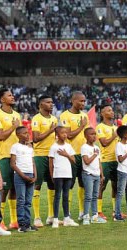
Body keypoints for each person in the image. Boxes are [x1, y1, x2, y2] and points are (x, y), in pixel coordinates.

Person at [0, 89, 21, 230]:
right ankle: (0, 221)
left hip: (17, 155)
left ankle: (14, 221)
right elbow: (1, 136)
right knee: (4, 189)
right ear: (2, 99)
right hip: (4, 156)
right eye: (9, 95)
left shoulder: (16, 115)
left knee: (14, 188)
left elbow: (20, 135)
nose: (12, 96)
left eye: (12, 95)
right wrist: (13, 127)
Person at [60, 91, 89, 220]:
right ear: (73, 101)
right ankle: (68, 213)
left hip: (83, 155)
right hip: (71, 155)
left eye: (84, 101)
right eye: (80, 101)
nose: (83, 103)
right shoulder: (65, 115)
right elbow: (69, 135)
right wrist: (82, 126)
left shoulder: (84, 116)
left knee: (83, 183)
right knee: (70, 184)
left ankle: (82, 212)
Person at [31, 95, 58, 227]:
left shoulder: (54, 118)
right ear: (41, 105)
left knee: (52, 184)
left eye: (52, 102)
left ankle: (51, 216)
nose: (51, 104)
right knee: (37, 185)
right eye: (48, 102)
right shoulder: (36, 119)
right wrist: (51, 130)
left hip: (52, 156)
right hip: (40, 155)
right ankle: (36, 217)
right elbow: (36, 138)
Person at [48, 126, 79, 227]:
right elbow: (50, 163)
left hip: (67, 174)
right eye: (62, 133)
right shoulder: (53, 147)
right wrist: (52, 175)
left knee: (66, 196)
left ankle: (66, 218)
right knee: (57, 196)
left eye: (66, 133)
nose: (65, 135)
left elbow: (74, 161)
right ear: (57, 135)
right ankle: (55, 219)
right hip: (58, 174)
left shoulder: (68, 146)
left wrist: (67, 155)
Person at [10, 126, 38, 232]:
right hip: (20, 176)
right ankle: (21, 224)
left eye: (28, 133)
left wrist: (35, 176)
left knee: (28, 201)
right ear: (18, 135)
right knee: (21, 200)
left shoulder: (30, 148)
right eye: (24, 133)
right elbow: (13, 164)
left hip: (30, 175)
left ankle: (27, 223)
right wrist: (23, 176)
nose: (27, 135)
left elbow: (33, 162)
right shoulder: (15, 147)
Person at [96, 104, 118, 220]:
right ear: (102, 113)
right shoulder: (100, 127)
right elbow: (104, 143)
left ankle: (115, 211)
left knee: (116, 186)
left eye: (112, 110)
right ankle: (98, 211)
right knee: (102, 186)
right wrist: (114, 136)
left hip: (116, 160)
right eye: (109, 110)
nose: (112, 112)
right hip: (105, 160)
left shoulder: (115, 127)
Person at [81, 128, 106, 225]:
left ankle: (95, 216)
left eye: (95, 134)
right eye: (91, 134)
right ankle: (86, 216)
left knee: (95, 196)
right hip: (88, 174)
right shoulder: (84, 147)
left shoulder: (97, 148)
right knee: (88, 196)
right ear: (86, 136)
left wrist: (102, 175)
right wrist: (95, 154)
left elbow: (99, 162)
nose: (94, 136)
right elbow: (86, 161)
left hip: (96, 175)